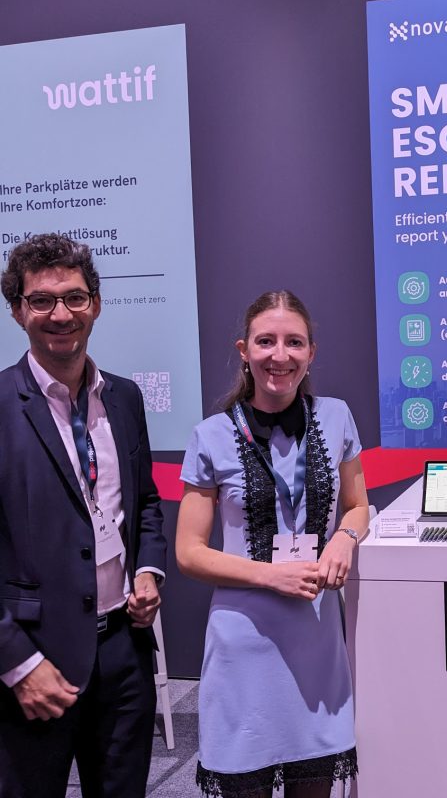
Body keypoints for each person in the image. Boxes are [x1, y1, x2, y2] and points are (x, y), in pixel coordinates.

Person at [176, 290, 369, 798]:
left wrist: (344, 539)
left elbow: (358, 505)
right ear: (244, 350)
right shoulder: (210, 435)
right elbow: (189, 552)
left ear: (311, 352)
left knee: (316, 782)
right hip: (244, 642)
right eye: (266, 341)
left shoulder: (337, 417)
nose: (279, 355)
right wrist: (270, 574)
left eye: (294, 342)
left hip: (317, 639)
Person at [0, 233, 166, 798]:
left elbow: (144, 504)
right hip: (34, 660)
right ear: (17, 310)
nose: (61, 314)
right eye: (41, 300)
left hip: (124, 651)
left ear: (95, 303)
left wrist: (149, 571)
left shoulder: (124, 397)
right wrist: (17, 664)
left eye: (74, 297)